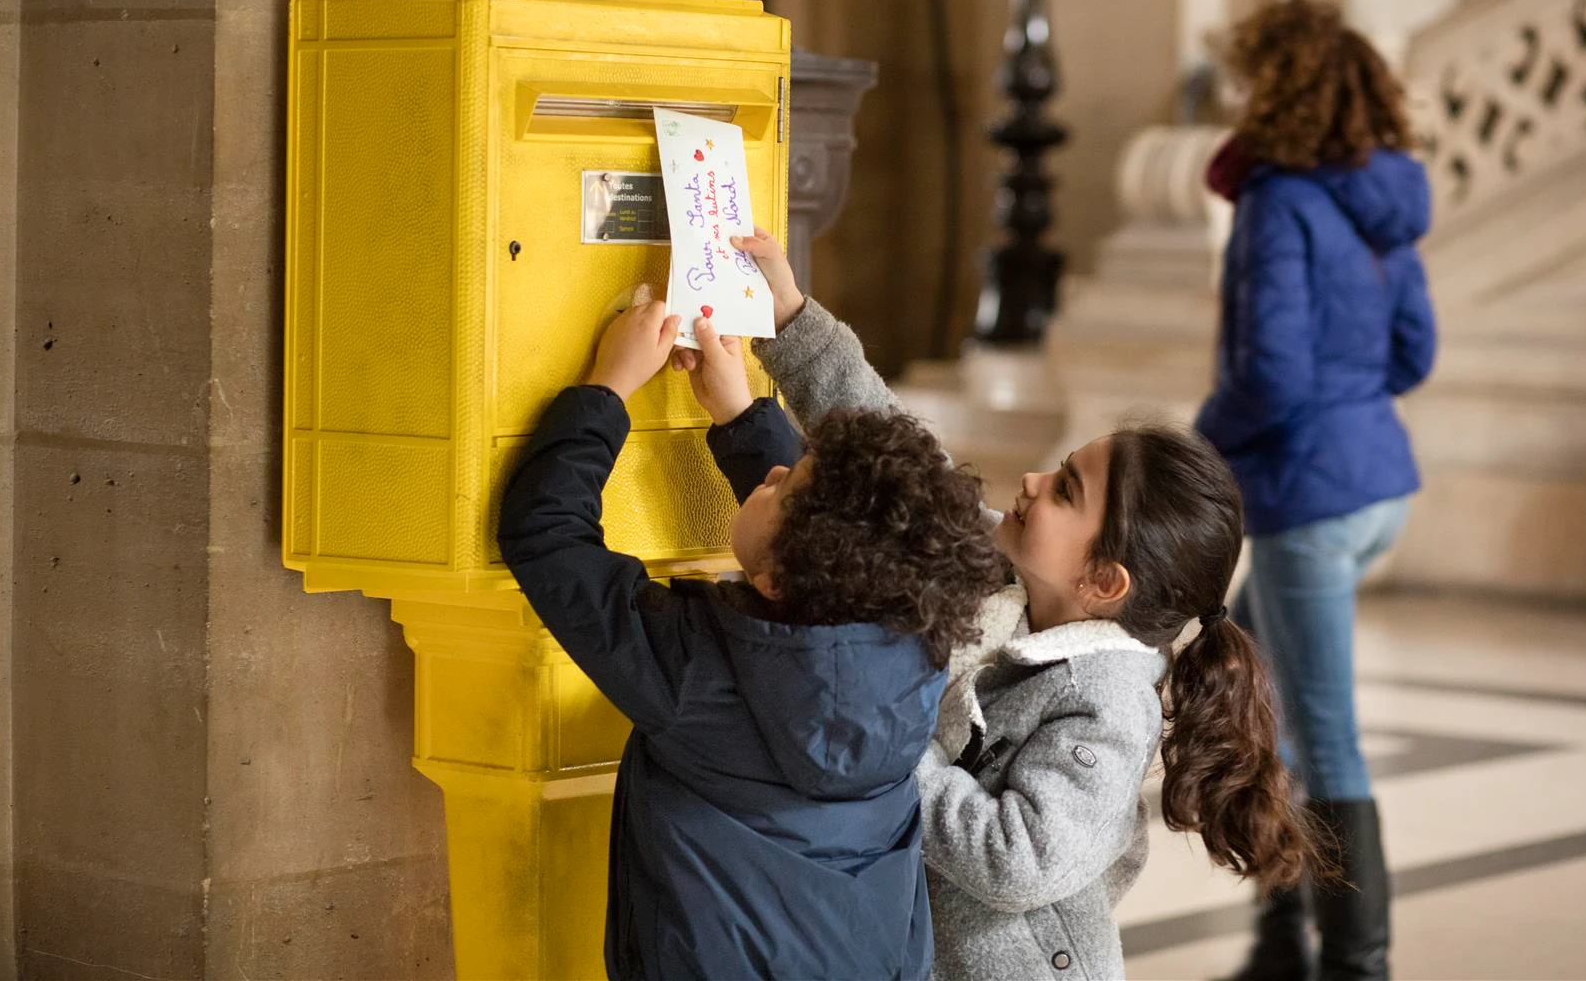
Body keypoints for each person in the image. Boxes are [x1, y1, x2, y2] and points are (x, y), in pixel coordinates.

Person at [703, 231, 1318, 980]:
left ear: (1105, 581)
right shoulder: (1001, 572)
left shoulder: (1109, 704)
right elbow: (894, 452)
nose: (1031, 481)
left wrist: (884, 738)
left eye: (1065, 490)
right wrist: (789, 317)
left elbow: (1017, 858)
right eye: (1059, 468)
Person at [496, 297, 1006, 979]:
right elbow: (837, 548)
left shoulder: (695, 670)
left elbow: (546, 536)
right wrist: (740, 417)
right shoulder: (914, 656)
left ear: (781, 578)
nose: (773, 472)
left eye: (784, 485)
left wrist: (607, 387)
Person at [1196, 0, 1439, 981]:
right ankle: (1278, 938)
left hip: (1312, 502)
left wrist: (1197, 448)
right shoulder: (1381, 201)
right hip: (1378, 486)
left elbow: (1273, 374)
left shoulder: (1279, 199)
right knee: (1263, 710)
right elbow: (1413, 352)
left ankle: (1354, 963)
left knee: (1325, 740)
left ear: (1273, 87)